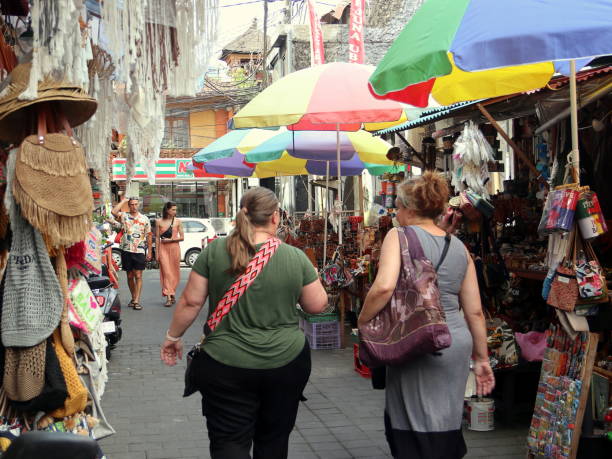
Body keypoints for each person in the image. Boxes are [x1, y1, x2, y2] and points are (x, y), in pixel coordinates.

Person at [160, 187, 327, 459]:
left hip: (224, 363)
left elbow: (191, 302)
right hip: (285, 363)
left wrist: (172, 337)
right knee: (273, 441)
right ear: (275, 218)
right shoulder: (295, 257)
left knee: (229, 443)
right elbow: (316, 305)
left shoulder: (214, 251)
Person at [358, 172, 495, 459]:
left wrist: (364, 319)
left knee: (412, 422)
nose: (396, 211)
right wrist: (482, 359)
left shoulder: (399, 236)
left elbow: (383, 287)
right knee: (446, 418)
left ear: (408, 207)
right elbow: (474, 311)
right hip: (455, 341)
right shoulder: (458, 247)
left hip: (415, 337)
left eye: (397, 205)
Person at [112, 195, 152, 311]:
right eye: (131, 204)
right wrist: (123, 200)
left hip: (139, 250)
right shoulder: (124, 216)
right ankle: (133, 297)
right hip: (126, 249)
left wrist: (149, 251)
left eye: (136, 204)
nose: (134, 206)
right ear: (129, 206)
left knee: (138, 275)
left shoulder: (144, 219)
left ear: (138, 204)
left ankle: (136, 300)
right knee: (130, 276)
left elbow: (149, 235)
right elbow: (114, 212)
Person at [156, 201, 184, 307]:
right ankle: (168, 297)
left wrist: (171, 240)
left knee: (175, 273)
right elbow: (157, 239)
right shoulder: (158, 221)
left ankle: (171, 292)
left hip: (174, 248)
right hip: (163, 249)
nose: (175, 211)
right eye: (173, 209)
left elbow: (182, 237)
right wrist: (157, 254)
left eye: (175, 209)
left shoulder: (178, 221)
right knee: (166, 272)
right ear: (167, 210)